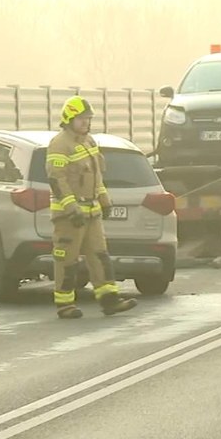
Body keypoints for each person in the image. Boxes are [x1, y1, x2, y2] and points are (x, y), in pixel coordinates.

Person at [47, 96, 138, 319]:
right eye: (81, 119)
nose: (86, 123)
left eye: (88, 119)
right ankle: (65, 304)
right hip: (69, 216)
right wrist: (71, 208)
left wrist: (104, 199)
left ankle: (109, 300)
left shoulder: (89, 142)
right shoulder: (59, 144)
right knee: (67, 259)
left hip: (91, 212)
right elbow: (57, 179)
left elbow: (96, 176)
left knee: (100, 256)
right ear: (69, 119)